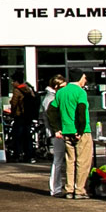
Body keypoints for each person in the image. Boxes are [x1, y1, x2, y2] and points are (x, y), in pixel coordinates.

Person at [51, 68, 92, 199]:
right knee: (83, 161)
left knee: (70, 161)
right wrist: (79, 131)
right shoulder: (81, 92)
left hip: (66, 131)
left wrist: (57, 128)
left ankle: (69, 189)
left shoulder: (61, 92)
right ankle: (79, 190)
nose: (85, 81)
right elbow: (81, 112)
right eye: (84, 78)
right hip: (81, 131)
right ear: (80, 78)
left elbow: (51, 111)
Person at [41, 74, 67, 196]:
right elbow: (51, 117)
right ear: (56, 86)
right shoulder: (50, 99)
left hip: (55, 132)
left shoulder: (50, 97)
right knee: (58, 160)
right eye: (62, 86)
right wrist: (55, 130)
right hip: (56, 133)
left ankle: (57, 187)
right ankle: (55, 188)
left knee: (59, 160)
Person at [7, 72, 38, 162]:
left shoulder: (17, 90)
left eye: (13, 81)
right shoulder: (28, 88)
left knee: (17, 136)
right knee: (27, 136)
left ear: (17, 81)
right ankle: (29, 155)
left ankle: (17, 154)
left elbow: (14, 103)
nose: (12, 83)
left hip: (20, 116)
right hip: (28, 116)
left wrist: (12, 113)